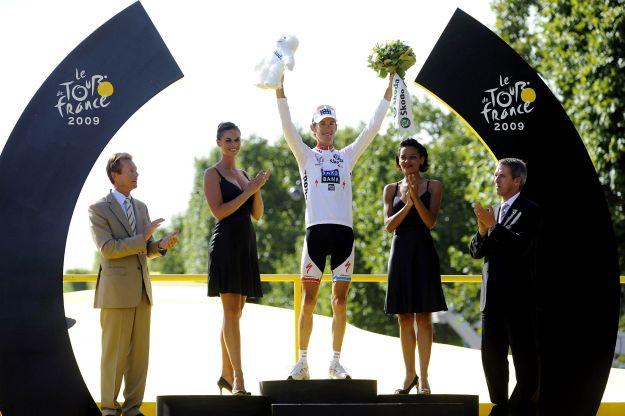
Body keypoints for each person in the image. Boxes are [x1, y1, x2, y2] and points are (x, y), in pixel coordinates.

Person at [276, 73, 392, 380]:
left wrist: (389, 89)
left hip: (343, 235)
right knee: (309, 301)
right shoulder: (306, 155)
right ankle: (301, 362)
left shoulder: (346, 156)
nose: (327, 129)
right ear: (313, 128)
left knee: (339, 301)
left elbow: (372, 129)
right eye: (321, 124)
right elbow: (286, 127)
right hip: (315, 232)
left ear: (335, 128)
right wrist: (280, 88)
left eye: (331, 124)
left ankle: (335, 362)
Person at [89, 153, 178, 416]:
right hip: (115, 294)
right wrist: (144, 237)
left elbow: (144, 248)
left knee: (139, 357)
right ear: (115, 174)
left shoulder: (140, 207)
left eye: (136, 169)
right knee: (113, 355)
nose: (136, 173)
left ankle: (132, 409)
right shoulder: (98, 209)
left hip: (142, 292)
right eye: (131, 169)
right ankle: (108, 408)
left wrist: (159, 246)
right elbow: (107, 249)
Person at [470, 158, 540, 416]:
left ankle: (521, 405)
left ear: (516, 181)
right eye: (495, 175)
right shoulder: (493, 212)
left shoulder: (530, 209)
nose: (495, 180)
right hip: (492, 300)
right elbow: (477, 252)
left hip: (518, 300)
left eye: (502, 176)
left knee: (524, 358)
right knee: (491, 356)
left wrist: (494, 228)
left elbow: (521, 247)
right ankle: (500, 404)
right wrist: (482, 230)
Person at [204, 122, 270, 395]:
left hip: (246, 245)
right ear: (219, 142)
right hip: (226, 245)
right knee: (231, 312)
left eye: (237, 139)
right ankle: (239, 378)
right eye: (229, 139)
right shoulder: (212, 173)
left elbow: (257, 214)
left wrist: (257, 187)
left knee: (235, 313)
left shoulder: (243, 174)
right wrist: (248, 190)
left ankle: (225, 374)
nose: (234, 144)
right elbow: (219, 212)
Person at [383, 138, 447, 394]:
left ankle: (424, 378)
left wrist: (415, 200)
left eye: (412, 156)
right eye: (403, 157)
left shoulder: (434, 186)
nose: (407, 161)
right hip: (400, 254)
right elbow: (388, 226)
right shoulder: (390, 189)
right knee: (404, 317)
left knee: (424, 317)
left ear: (421, 159)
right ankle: (409, 375)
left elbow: (430, 222)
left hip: (423, 252)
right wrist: (406, 203)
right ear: (398, 162)